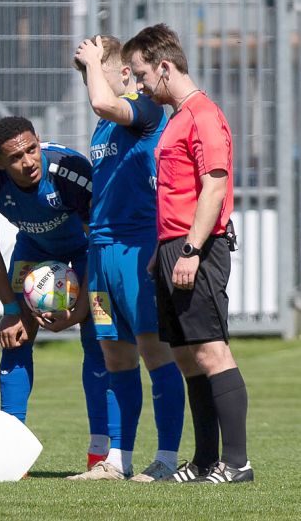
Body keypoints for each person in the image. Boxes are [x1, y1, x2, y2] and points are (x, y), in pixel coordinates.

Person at [123, 24, 252, 483]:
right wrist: (166, 248)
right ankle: (203, 462)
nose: (139, 85)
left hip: (199, 247)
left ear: (164, 67)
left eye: (141, 74)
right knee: (185, 355)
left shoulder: (203, 114)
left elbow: (214, 185)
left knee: (212, 351)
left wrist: (193, 248)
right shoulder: (176, 117)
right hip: (174, 248)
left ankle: (237, 464)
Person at [0, 116, 120, 471]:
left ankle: (102, 454)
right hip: (33, 250)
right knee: (15, 335)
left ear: (39, 140)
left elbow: (99, 241)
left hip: (88, 254)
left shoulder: (72, 170)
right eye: (16, 157)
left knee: (101, 340)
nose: (28, 161)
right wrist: (9, 307)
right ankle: (10, 445)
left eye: (32, 149)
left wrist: (81, 309)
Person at [69, 35, 186, 481]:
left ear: (122, 73)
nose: (90, 82)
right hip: (100, 255)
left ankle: (167, 459)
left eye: (95, 71)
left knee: (155, 354)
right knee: (115, 357)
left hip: (137, 251)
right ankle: (117, 460)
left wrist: (95, 61)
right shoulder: (103, 126)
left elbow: (102, 102)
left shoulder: (144, 107)